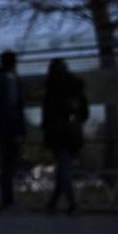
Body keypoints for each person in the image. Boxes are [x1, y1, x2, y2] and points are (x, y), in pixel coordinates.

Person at [41, 59, 88, 214]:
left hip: (57, 131)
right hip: (73, 130)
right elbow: (85, 111)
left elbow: (47, 113)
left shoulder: (51, 88)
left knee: (63, 165)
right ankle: (54, 202)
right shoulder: (76, 86)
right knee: (65, 166)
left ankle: (71, 202)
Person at [0, 51, 26, 209]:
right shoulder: (8, 81)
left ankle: (7, 199)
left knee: (7, 165)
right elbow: (11, 106)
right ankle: (8, 200)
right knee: (9, 166)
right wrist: (17, 129)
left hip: (2, 127)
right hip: (10, 128)